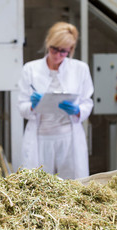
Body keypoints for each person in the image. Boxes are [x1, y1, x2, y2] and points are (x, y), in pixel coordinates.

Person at [17, 21, 94, 179]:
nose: (58, 55)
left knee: (72, 186)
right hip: (40, 138)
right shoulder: (30, 69)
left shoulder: (80, 69)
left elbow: (87, 101)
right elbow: (21, 106)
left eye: (63, 51)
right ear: (48, 44)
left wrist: (79, 110)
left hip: (69, 138)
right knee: (40, 187)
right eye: (54, 49)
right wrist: (33, 106)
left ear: (70, 50)